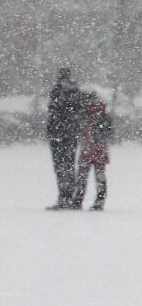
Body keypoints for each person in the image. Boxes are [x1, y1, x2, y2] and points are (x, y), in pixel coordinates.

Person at [45, 68, 83, 210]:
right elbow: (79, 113)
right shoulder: (76, 91)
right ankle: (70, 196)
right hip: (71, 135)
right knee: (69, 165)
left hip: (58, 134)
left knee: (60, 167)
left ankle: (63, 197)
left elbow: (54, 113)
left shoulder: (58, 90)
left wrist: (52, 130)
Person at [73, 92, 112, 211]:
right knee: (98, 175)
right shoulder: (103, 113)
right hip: (98, 148)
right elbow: (108, 131)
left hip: (89, 148)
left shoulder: (85, 112)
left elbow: (81, 128)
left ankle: (78, 200)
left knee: (83, 175)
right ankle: (99, 201)